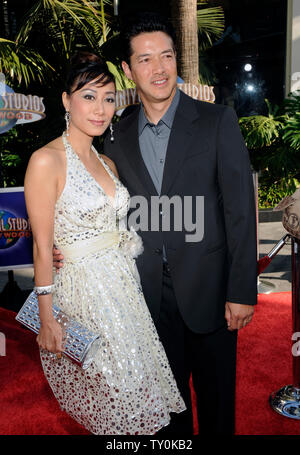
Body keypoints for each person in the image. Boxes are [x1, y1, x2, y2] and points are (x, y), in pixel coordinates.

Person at [54, 13, 258, 435]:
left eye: (166, 56)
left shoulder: (217, 121)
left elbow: (241, 211)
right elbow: (106, 204)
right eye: (145, 60)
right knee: (166, 413)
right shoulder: (115, 135)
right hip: (144, 301)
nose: (159, 68)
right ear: (128, 70)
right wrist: (71, 248)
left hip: (212, 291)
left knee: (219, 407)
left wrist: (242, 291)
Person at [24, 52, 186, 436]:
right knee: (116, 398)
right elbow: (43, 248)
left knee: (141, 394)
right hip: (84, 297)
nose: (100, 109)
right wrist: (47, 320)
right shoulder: (45, 161)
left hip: (124, 291)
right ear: (66, 101)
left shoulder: (107, 163)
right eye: (89, 96)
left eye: (109, 98)